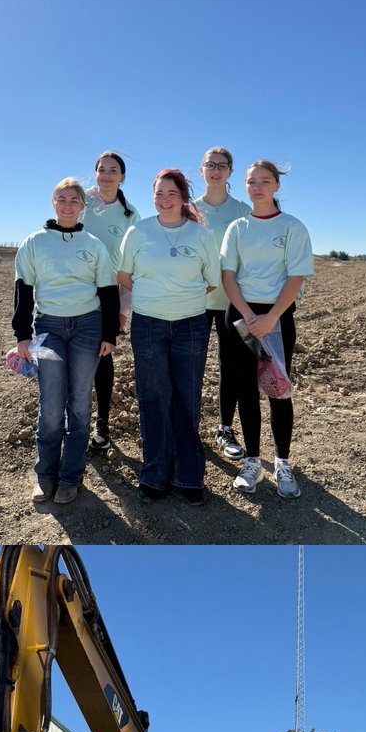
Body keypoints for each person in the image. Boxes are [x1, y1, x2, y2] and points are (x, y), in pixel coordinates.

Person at [12, 178, 119, 505]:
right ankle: (45, 475)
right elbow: (23, 291)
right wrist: (23, 336)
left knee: (80, 404)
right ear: (53, 203)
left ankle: (71, 476)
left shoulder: (94, 244)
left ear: (82, 206)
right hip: (49, 328)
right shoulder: (34, 243)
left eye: (75, 200)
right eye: (62, 199)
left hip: (88, 327)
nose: (68, 205)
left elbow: (108, 292)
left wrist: (109, 334)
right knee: (51, 404)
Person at [117, 168, 221, 506]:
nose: (164, 200)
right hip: (148, 324)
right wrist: (154, 298)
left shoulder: (200, 236)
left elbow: (210, 280)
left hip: (191, 324)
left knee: (187, 397)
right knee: (153, 396)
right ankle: (154, 474)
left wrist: (181, 298)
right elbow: (125, 275)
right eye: (159, 194)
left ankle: (189, 476)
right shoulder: (138, 232)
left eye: (171, 194)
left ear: (183, 197)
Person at [220, 161, 313, 499]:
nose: (257, 187)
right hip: (242, 316)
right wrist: (247, 314)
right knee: (245, 389)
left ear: (276, 186)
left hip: (277, 317)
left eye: (264, 181)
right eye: (251, 182)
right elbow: (228, 276)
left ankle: (283, 463)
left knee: (278, 390)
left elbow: (295, 277)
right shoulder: (237, 228)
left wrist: (272, 317)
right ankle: (252, 461)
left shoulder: (292, 227)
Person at [193, 147, 252, 465]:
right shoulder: (189, 209)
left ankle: (225, 430)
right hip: (194, 302)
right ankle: (189, 430)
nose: (215, 170)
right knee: (192, 367)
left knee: (231, 366)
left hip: (232, 301)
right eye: (209, 165)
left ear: (230, 172)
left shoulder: (243, 211)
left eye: (221, 165)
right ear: (201, 169)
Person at [82, 151, 143, 453]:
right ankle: (74, 421)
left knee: (103, 357)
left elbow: (133, 265)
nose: (106, 175)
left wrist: (123, 308)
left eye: (113, 170)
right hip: (74, 296)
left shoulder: (131, 214)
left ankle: (102, 422)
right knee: (73, 358)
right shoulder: (79, 203)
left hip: (109, 298)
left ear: (123, 177)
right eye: (101, 169)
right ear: (95, 173)